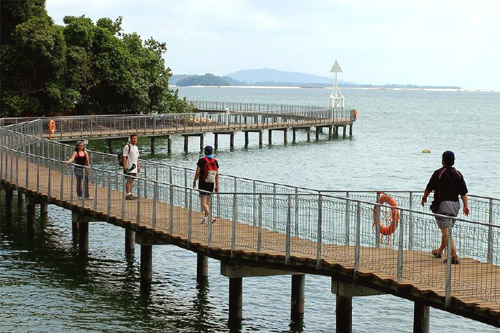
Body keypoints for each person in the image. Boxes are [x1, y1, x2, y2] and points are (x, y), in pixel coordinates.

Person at [421, 150, 469, 264]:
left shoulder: (439, 173)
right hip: (455, 206)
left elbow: (429, 187)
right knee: (446, 229)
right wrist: (465, 205)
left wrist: (424, 198)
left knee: (446, 230)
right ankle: (440, 251)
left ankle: (453, 256)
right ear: (453, 161)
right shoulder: (458, 174)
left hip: (443, 205)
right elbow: (463, 193)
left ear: (443, 160)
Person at [193, 145, 219, 224]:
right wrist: (216, 186)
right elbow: (217, 174)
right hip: (211, 183)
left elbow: (197, 173)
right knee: (208, 202)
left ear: (204, 151)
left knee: (203, 203)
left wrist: (194, 181)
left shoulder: (201, 160)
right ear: (212, 152)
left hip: (203, 183)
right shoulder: (215, 161)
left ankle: (210, 217)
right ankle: (206, 219)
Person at [122, 134, 140, 200]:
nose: (135, 140)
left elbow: (137, 158)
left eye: (136, 138)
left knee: (132, 180)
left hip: (134, 167)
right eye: (133, 138)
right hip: (129, 166)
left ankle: (130, 193)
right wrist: (125, 166)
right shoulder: (127, 147)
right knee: (129, 180)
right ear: (131, 139)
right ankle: (127, 194)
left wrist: (138, 166)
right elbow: (124, 156)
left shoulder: (136, 147)